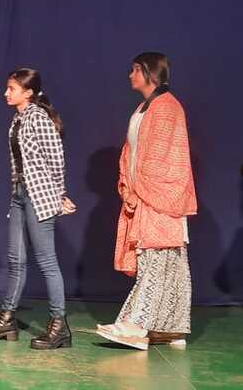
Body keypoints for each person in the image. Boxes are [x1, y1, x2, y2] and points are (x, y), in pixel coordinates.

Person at [96, 52, 197, 350]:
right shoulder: (144, 107)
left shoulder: (168, 107)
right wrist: (127, 187)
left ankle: (136, 326)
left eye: (134, 70)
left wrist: (139, 188)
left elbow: (162, 158)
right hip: (144, 195)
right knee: (161, 261)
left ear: (148, 72)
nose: (130, 75)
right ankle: (169, 330)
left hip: (161, 197)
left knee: (159, 260)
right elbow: (131, 152)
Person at [0, 68, 77, 350]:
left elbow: (57, 159)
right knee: (15, 259)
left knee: (46, 261)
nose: (6, 93)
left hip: (39, 196)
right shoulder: (18, 118)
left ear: (28, 92)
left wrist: (59, 194)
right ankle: (7, 320)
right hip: (19, 194)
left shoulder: (38, 117)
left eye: (12, 89)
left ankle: (59, 326)